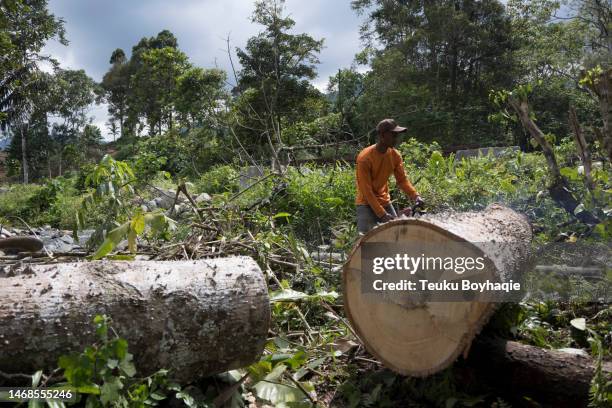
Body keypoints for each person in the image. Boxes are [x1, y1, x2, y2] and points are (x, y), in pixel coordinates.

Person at [355, 118, 424, 235]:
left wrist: (415, 196)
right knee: (365, 243)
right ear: (382, 135)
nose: (396, 138)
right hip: (366, 204)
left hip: (385, 201)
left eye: (397, 135)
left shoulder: (395, 155)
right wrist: (382, 215)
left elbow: (402, 180)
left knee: (396, 237)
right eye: (393, 134)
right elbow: (367, 191)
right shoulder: (365, 158)